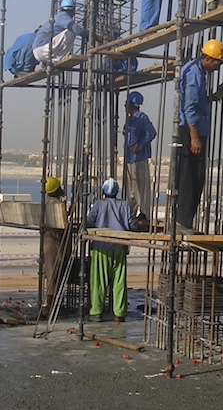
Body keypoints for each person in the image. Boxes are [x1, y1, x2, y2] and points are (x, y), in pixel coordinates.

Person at [173, 39, 223, 233]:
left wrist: (214, 96)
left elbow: (198, 102)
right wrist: (195, 137)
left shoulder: (197, 72)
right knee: (191, 177)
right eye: (218, 63)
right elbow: (189, 108)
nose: (218, 67)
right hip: (192, 131)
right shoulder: (194, 74)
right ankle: (182, 222)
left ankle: (185, 221)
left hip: (194, 129)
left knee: (195, 177)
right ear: (208, 58)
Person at [85, 178, 135, 322]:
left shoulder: (99, 205)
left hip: (101, 248)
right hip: (119, 247)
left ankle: (96, 311)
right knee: (119, 281)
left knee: (99, 281)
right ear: (117, 191)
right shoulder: (124, 205)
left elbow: (89, 222)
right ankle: (119, 313)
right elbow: (132, 224)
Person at [122, 91, 156, 229]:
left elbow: (151, 132)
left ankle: (144, 212)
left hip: (138, 158)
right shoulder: (130, 120)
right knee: (131, 188)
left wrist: (140, 146)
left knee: (140, 186)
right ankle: (131, 210)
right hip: (130, 158)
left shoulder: (142, 118)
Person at [40, 177, 69, 312]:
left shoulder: (45, 204)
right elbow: (63, 225)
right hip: (54, 243)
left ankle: (52, 305)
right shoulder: (57, 205)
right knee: (53, 275)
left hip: (47, 242)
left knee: (51, 274)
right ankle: (51, 307)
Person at [32, 0, 87, 64]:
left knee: (68, 30)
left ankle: (49, 61)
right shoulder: (64, 17)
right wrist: (94, 36)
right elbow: (79, 31)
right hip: (45, 49)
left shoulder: (56, 18)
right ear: (72, 11)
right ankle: (60, 57)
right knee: (71, 30)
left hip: (37, 52)